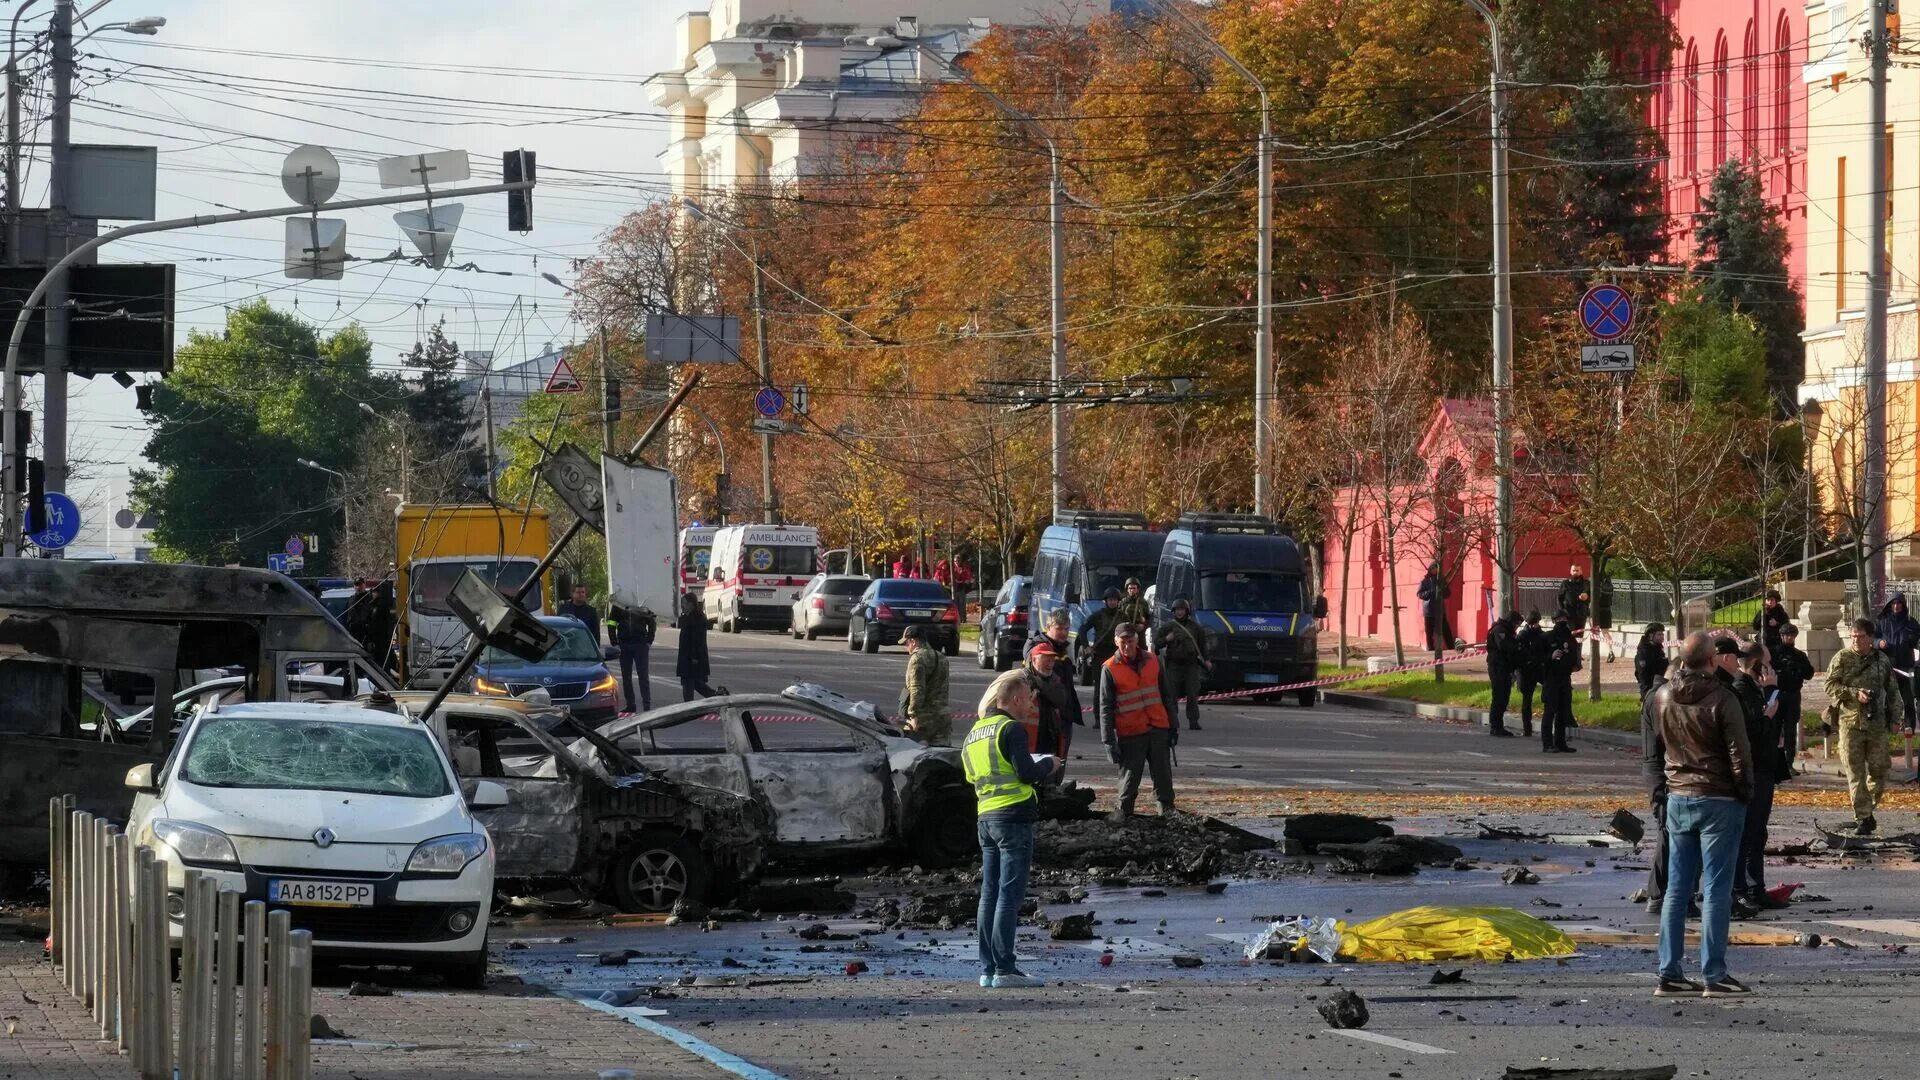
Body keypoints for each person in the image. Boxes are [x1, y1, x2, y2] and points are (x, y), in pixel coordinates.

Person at [1651, 631, 1755, 998]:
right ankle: (1714, 973)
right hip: (1719, 798)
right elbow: (1739, 755)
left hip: (1679, 796)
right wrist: (1746, 793)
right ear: (1712, 660)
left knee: (1677, 890)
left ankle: (1670, 970)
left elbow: (1662, 745)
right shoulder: (1723, 699)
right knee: (1716, 889)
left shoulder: (1662, 696)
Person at [965, 671, 1064, 989]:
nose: (1032, 705)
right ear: (1016, 699)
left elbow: (970, 776)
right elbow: (1025, 773)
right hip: (1013, 818)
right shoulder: (1012, 729)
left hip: (986, 817)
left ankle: (988, 969)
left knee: (989, 894)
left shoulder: (975, 733)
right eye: (1029, 699)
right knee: (1009, 895)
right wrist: (1048, 764)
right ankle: (1005, 969)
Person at [1828, 617, 1902, 834]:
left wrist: (1896, 718)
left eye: (1860, 637)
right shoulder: (1842, 657)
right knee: (1855, 772)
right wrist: (1853, 694)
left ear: (1870, 638)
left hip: (1876, 723)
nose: (1855, 640)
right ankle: (1863, 817)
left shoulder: (1882, 660)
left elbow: (1893, 691)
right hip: (1850, 722)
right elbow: (1829, 684)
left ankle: (1866, 811)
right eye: (1852, 636)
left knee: (1880, 770)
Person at [1097, 624, 1178, 821]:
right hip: (1131, 733)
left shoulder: (1153, 660)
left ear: (1137, 640)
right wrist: (1109, 742)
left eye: (1130, 641)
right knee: (1129, 780)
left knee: (1163, 777)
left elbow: (1167, 695)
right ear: (1116, 642)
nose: (1127, 646)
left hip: (1158, 728)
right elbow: (1105, 708)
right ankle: (1124, 815)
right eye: (1123, 642)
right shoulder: (1109, 668)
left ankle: (1166, 814)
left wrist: (1173, 725)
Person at [1723, 640, 1777, 917]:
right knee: (1748, 833)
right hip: (1754, 769)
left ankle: (1756, 887)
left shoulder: (1752, 688)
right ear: (1757, 665)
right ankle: (1741, 889)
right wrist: (1769, 700)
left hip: (1765, 768)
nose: (1771, 669)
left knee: (1758, 832)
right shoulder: (1742, 689)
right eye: (1766, 663)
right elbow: (1753, 731)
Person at [1639, 657, 1692, 916]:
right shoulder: (1659, 697)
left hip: (1660, 770)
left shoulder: (1656, 694)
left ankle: (1661, 893)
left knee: (1670, 834)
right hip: (1660, 772)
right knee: (1668, 835)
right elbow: (1669, 737)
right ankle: (1658, 894)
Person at [1153, 597, 1212, 731]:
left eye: (1182, 610)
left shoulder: (1196, 627)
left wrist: (1207, 660)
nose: (1180, 612)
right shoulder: (1168, 626)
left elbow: (1203, 645)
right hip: (1173, 665)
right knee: (1171, 695)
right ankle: (1172, 721)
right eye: (1177, 610)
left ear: (1187, 611)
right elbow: (1157, 642)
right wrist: (1167, 639)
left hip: (1191, 665)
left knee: (1192, 693)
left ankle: (1193, 720)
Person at [1771, 624, 1815, 780]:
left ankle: (1789, 763)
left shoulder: (1799, 655)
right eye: (1787, 635)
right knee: (1774, 730)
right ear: (1782, 636)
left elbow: (1809, 673)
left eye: (1792, 635)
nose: (1789, 638)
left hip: (1793, 695)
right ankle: (1774, 763)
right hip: (1777, 694)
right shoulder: (1774, 653)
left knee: (1790, 731)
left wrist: (1799, 670)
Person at [899, 624, 952, 746]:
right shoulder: (941, 657)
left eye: (906, 643)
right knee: (941, 757)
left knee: (910, 753)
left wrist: (913, 715)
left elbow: (916, 689)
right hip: (942, 717)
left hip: (924, 719)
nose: (905, 647)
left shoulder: (917, 659)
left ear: (913, 641)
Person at [1875, 592, 1920, 732]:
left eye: (1899, 603)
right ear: (1889, 605)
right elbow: (1872, 638)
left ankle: (1909, 728)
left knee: (1908, 701)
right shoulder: (1881, 621)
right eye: (1893, 603)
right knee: (1889, 700)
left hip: (1906, 667)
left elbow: (1918, 640)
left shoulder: (1911, 622)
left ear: (1903, 605)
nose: (1896, 606)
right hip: (1888, 667)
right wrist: (1879, 643)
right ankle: (1889, 727)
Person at [1540, 610, 1581, 753]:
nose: (1563, 621)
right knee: (1550, 711)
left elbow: (1574, 654)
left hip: (1565, 678)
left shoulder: (1570, 638)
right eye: (1559, 619)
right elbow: (1536, 657)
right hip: (1551, 678)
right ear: (1554, 620)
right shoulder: (1546, 637)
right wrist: (1549, 656)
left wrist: (1575, 664)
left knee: (1563, 712)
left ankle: (1560, 742)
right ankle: (1547, 743)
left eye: (1565, 618)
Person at [1023, 639, 1072, 760]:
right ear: (1034, 659)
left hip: (1050, 740)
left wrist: (1039, 683)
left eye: (1052, 659)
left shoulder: (1054, 680)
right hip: (1028, 741)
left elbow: (1061, 700)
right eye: (1045, 658)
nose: (1050, 662)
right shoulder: (1021, 680)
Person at [607, 603, 657, 715]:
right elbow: (611, 623)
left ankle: (646, 704)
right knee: (626, 677)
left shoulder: (642, 603)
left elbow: (652, 622)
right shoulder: (619, 604)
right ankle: (630, 704)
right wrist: (614, 642)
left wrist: (649, 640)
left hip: (640, 644)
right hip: (624, 644)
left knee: (643, 675)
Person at [675, 593, 721, 700]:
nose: (683, 606)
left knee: (690, 685)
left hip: (692, 658)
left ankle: (715, 697)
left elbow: (698, 640)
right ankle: (716, 696)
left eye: (684, 603)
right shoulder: (687, 617)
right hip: (686, 658)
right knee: (696, 684)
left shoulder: (698, 618)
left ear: (691, 604)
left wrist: (695, 657)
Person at [1485, 611, 1523, 738]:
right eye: (1517, 624)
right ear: (1512, 621)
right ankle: (1495, 726)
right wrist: (1517, 647)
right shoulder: (1499, 630)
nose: (1517, 627)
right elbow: (1504, 646)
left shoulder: (1506, 630)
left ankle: (1498, 725)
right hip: (1497, 668)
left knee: (1504, 696)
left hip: (1504, 668)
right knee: (1499, 696)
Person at [1076, 588, 1126, 673]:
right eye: (1110, 600)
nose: (1112, 602)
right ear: (1105, 601)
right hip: (1100, 654)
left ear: (1118, 601)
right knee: (1099, 683)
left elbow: (1131, 633)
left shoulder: (1123, 617)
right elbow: (1082, 629)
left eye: (1115, 600)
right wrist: (1086, 647)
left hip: (1117, 654)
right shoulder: (1098, 615)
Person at [1515, 611, 1547, 739]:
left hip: (1538, 668)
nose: (1536, 625)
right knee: (1527, 700)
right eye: (1534, 623)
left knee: (1550, 690)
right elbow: (1519, 653)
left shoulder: (1541, 634)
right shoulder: (1523, 635)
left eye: (1537, 623)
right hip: (1526, 671)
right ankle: (1527, 728)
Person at [1416, 564, 1453, 652]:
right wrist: (1431, 592)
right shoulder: (1425, 581)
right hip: (1429, 610)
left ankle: (1451, 647)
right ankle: (1431, 649)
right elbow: (1419, 594)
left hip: (1440, 610)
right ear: (1430, 569)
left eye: (1437, 568)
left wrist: (1444, 590)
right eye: (1433, 568)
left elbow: (1447, 594)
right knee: (1429, 632)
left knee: (1446, 630)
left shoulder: (1441, 580)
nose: (1435, 570)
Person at [1635, 623, 1668, 698]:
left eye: (1662, 634)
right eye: (1659, 635)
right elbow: (1643, 676)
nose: (1662, 637)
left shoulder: (1658, 650)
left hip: (1660, 687)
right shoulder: (1643, 653)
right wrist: (1647, 695)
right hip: (1649, 690)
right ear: (1650, 636)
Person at [1558, 565, 1591, 633]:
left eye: (1577, 570)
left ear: (1581, 571)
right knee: (1570, 636)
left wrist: (1586, 596)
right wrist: (1562, 612)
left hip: (1581, 615)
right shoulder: (1566, 583)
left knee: (1579, 638)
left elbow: (1590, 596)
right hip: (1569, 615)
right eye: (1573, 570)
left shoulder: (1586, 583)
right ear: (1570, 572)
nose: (1575, 572)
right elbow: (1559, 598)